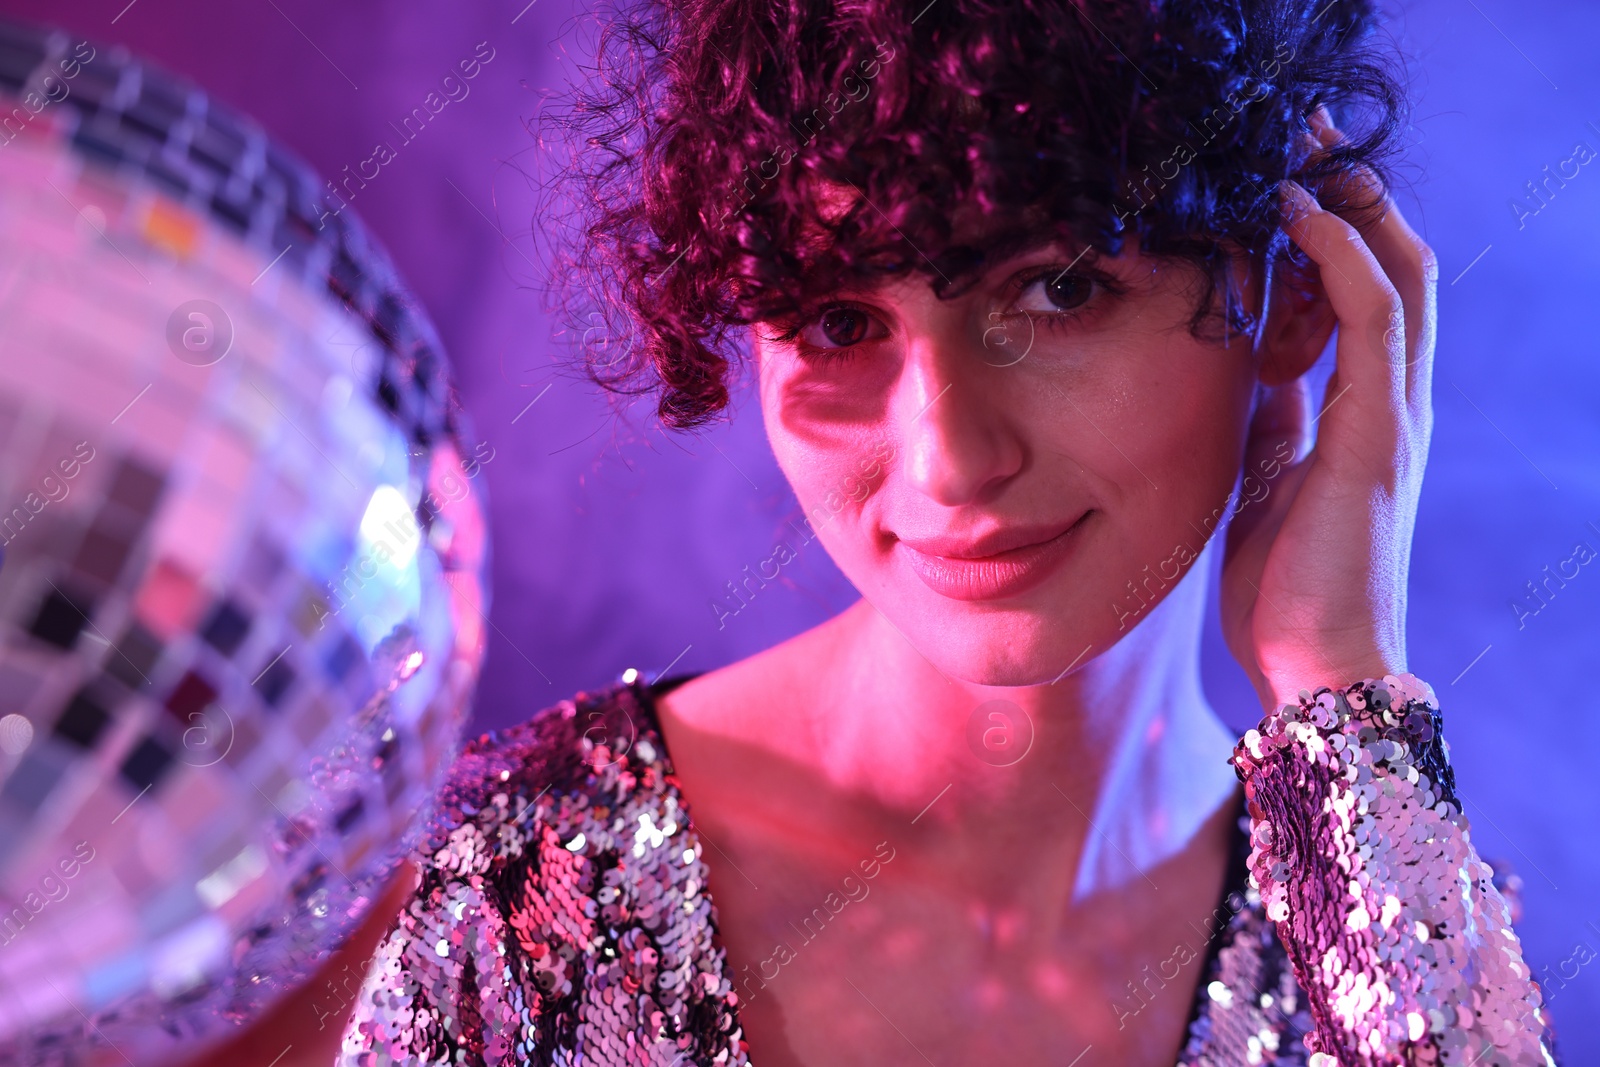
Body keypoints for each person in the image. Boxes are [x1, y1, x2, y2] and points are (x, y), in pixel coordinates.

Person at [336, 0, 1561, 1063]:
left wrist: (1339, 693)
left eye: (1061, 288)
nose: (948, 459)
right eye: (834, 321)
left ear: (1290, 294)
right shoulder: (504, 887)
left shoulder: (1383, 920)